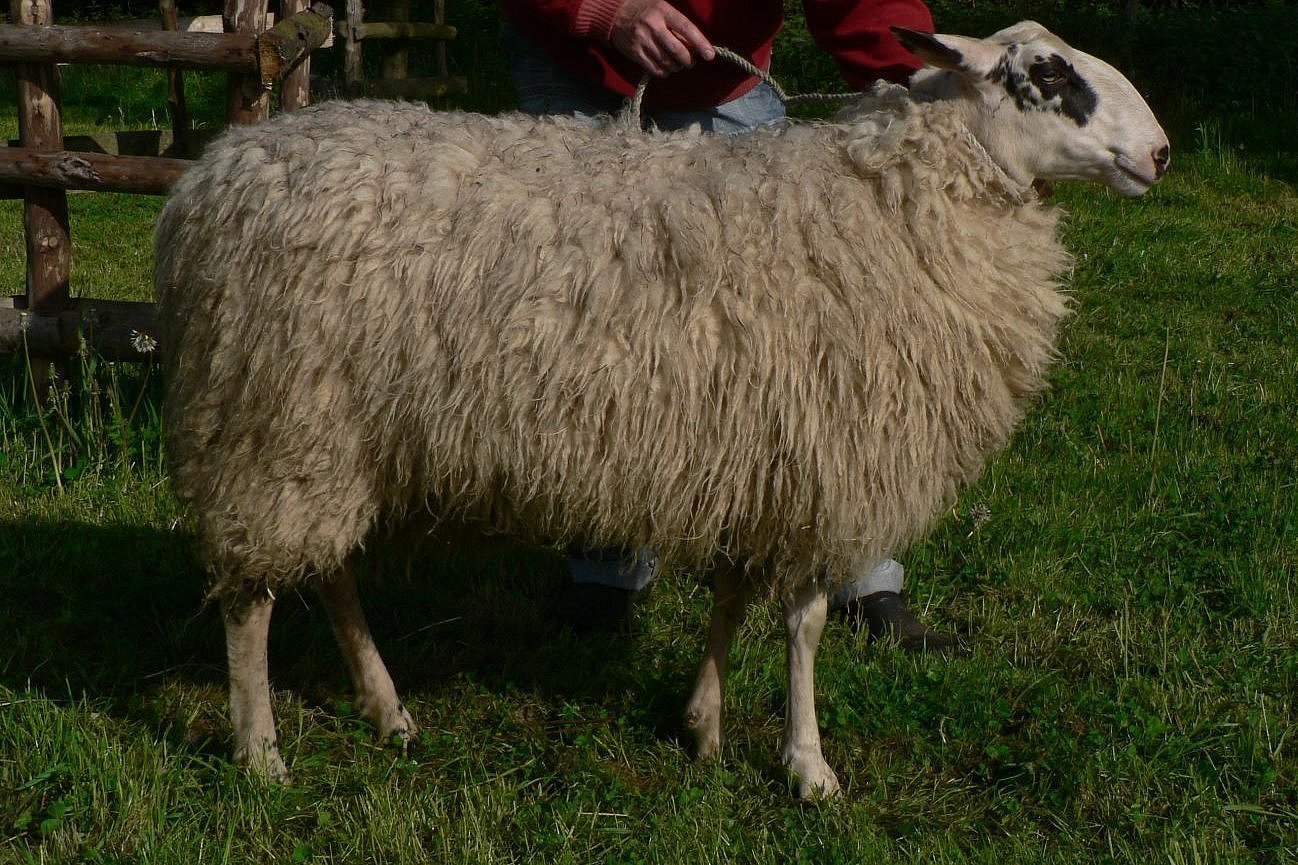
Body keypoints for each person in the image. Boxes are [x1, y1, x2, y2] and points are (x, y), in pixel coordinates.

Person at [498, 0, 955, 654]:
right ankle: (608, 560)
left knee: (796, 322)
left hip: (725, 79)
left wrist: (936, 91)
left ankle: (856, 567)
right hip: (579, 67)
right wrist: (604, 12)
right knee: (590, 320)